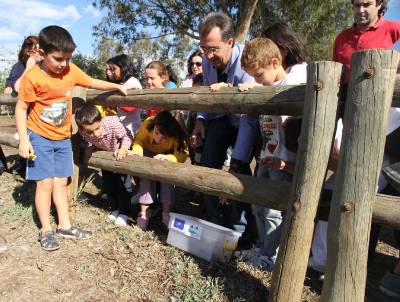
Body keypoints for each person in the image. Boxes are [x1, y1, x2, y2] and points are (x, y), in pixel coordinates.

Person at [15, 25, 128, 251]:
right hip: (40, 137)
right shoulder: (33, 77)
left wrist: (116, 86)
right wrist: (24, 140)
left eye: (68, 58)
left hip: (63, 138)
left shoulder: (70, 71)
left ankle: (64, 225)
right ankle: (46, 228)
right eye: (58, 59)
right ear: (43, 53)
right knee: (44, 184)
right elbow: (21, 107)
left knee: (61, 182)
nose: (64, 64)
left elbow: (92, 82)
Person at [235, 37, 307, 271]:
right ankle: (261, 246)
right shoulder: (265, 88)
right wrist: (256, 86)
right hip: (266, 156)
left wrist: (285, 162)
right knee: (258, 206)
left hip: (283, 160)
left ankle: (271, 254)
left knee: (274, 211)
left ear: (276, 63)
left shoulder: (291, 87)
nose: (255, 80)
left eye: (258, 75)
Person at [190, 12, 257, 236]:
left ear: (230, 42)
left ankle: (242, 231)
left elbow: (249, 107)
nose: (208, 56)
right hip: (220, 118)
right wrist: (200, 119)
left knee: (238, 170)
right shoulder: (209, 62)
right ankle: (216, 221)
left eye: (213, 49)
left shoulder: (249, 58)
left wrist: (230, 91)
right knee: (208, 164)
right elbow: (208, 95)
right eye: (204, 49)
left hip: (246, 121)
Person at [127, 110, 188, 230]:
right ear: (154, 126)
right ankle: (144, 214)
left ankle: (166, 213)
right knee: (146, 177)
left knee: (167, 179)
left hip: (166, 157)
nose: (158, 138)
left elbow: (182, 154)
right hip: (147, 153)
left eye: (164, 138)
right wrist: (137, 153)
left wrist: (170, 158)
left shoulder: (177, 133)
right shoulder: (148, 122)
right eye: (156, 133)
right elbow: (139, 141)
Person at [75, 103, 133, 226]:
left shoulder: (112, 123)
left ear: (101, 119)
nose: (95, 134)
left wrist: (123, 149)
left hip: (121, 153)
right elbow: (88, 141)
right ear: (81, 129)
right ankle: (115, 208)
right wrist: (91, 146)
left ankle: (125, 212)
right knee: (109, 183)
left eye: (97, 128)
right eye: (90, 132)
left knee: (123, 184)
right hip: (106, 156)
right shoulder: (83, 132)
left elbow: (127, 137)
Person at [105, 54, 142, 135]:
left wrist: (113, 101)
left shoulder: (132, 82)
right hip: (123, 127)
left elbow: (131, 107)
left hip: (131, 127)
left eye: (114, 69)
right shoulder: (123, 83)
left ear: (123, 68)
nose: (112, 72)